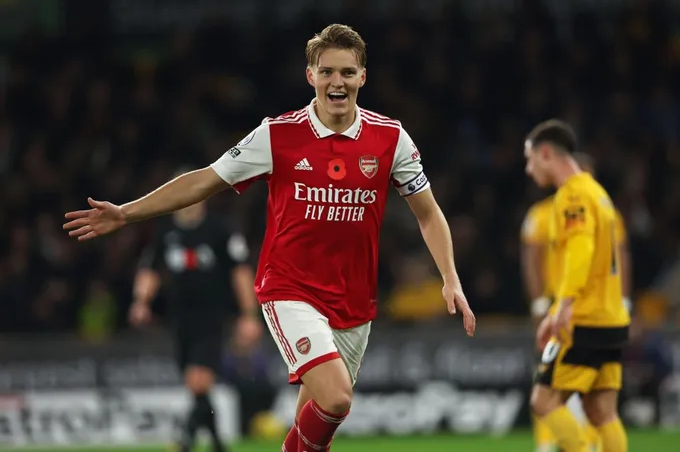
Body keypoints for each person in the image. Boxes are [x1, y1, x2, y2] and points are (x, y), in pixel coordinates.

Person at [64, 24, 476, 452]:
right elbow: (205, 180)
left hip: (354, 300)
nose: (337, 82)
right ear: (311, 76)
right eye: (327, 71)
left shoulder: (390, 138)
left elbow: (428, 214)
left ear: (363, 77)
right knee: (337, 399)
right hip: (290, 290)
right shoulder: (277, 135)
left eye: (347, 72)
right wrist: (127, 212)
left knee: (313, 432)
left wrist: (450, 277)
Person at [128, 174, 261, 452]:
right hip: (179, 318)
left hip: (211, 315)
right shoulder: (166, 232)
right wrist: (141, 301)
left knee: (199, 380)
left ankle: (185, 441)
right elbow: (150, 269)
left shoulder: (219, 229)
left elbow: (240, 272)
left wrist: (249, 314)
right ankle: (217, 444)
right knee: (195, 384)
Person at [524, 119, 630, 452]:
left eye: (529, 159)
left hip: (583, 319)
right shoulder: (598, 194)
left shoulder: (572, 196)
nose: (528, 170)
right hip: (611, 318)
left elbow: (580, 250)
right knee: (601, 411)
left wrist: (563, 306)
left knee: (543, 401)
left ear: (545, 154)